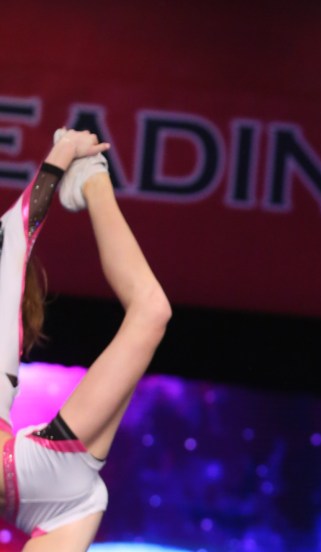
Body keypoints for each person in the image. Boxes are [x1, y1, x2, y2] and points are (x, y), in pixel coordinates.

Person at [0, 129, 171, 551]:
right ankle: (92, 177)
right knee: (151, 310)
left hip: (41, 481)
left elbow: (17, 231)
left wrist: (64, 152)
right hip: (55, 489)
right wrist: (67, 153)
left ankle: (92, 177)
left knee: (151, 310)